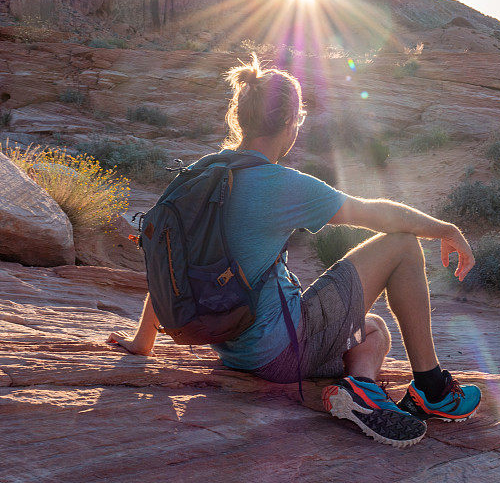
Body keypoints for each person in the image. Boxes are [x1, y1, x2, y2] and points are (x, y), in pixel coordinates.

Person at [107, 53, 481, 447]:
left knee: (373, 329)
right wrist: (446, 229)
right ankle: (432, 390)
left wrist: (142, 342)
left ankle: (361, 389)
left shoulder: (201, 173)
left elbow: (170, 256)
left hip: (232, 350)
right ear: (290, 123)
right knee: (403, 245)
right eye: (298, 120)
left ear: (241, 118)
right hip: (282, 351)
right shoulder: (282, 184)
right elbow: (377, 215)